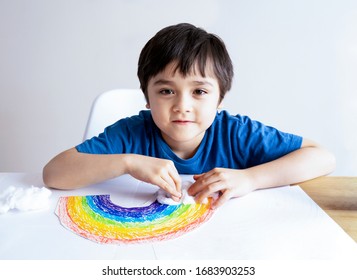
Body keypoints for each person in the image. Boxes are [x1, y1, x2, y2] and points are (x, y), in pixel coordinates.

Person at [43, 23, 336, 209]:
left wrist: (250, 179)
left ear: (220, 98)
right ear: (147, 96)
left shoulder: (236, 133)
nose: (182, 105)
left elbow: (322, 157)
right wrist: (128, 162)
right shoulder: (131, 134)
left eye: (199, 92)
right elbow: (53, 174)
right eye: (167, 91)